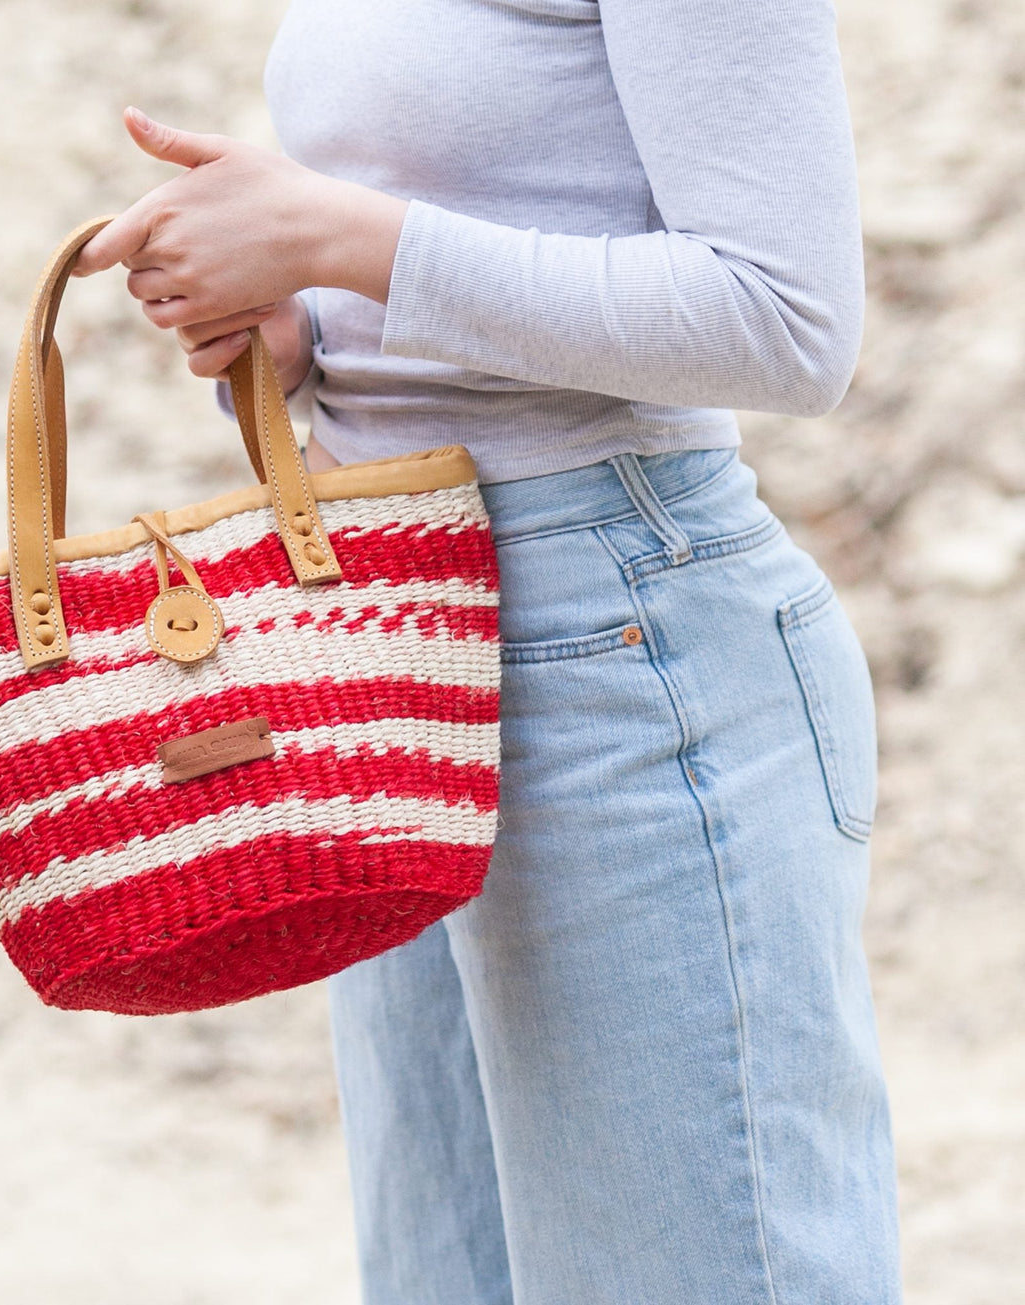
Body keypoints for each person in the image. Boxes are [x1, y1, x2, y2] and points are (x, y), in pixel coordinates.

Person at [73, 1, 902, 1300]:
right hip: (397, 645)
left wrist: (341, 236)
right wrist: (309, 331)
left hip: (620, 656)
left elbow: (785, 323)